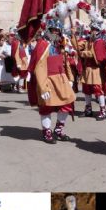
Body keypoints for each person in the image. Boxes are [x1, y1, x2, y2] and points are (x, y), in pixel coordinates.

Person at [29, 14, 75, 144]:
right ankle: (46, 131)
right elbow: (39, 67)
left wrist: (70, 78)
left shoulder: (59, 44)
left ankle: (58, 130)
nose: (56, 33)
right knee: (46, 107)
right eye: (54, 30)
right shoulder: (42, 45)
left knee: (67, 104)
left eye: (58, 30)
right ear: (48, 31)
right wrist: (43, 88)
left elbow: (65, 62)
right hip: (48, 80)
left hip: (61, 80)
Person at [76, 17, 106, 120]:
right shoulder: (88, 40)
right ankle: (88, 110)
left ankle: (103, 111)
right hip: (87, 69)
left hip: (96, 70)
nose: (93, 31)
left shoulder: (100, 42)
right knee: (86, 90)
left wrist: (82, 53)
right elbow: (77, 46)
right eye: (92, 29)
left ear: (99, 30)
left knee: (98, 90)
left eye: (95, 29)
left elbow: (94, 54)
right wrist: (78, 37)